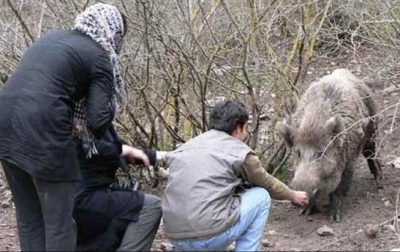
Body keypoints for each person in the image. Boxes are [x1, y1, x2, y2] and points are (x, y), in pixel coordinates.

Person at [0, 3, 128, 251]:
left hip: (4, 125)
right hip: (44, 130)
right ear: (113, 33)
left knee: (30, 218)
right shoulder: (100, 56)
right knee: (60, 224)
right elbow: (98, 121)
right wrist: (110, 105)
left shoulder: (53, 37)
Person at [162, 99, 310, 251]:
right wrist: (293, 195)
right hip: (209, 236)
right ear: (238, 127)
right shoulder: (238, 151)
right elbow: (266, 182)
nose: (246, 133)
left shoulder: (186, 147)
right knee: (261, 196)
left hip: (175, 237)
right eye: (246, 128)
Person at [73, 125, 163, 251]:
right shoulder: (80, 122)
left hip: (89, 195)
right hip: (83, 198)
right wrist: (120, 149)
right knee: (151, 205)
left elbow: (123, 154)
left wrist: (161, 156)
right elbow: (91, 148)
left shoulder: (103, 127)